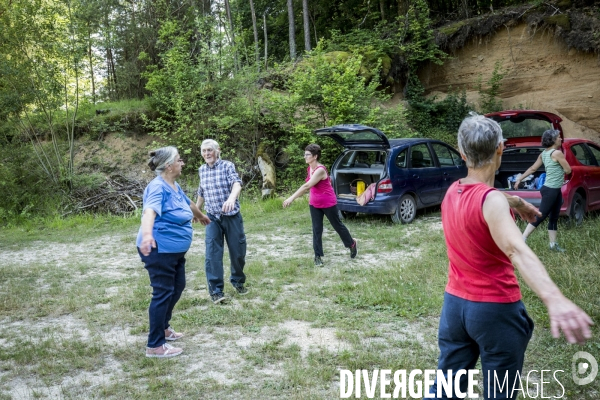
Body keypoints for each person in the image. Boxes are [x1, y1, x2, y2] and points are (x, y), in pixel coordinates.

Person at [425, 115, 592, 399]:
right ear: (501, 148)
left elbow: (480, 195)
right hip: (495, 312)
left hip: (454, 309)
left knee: (445, 390)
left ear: (463, 154)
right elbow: (516, 249)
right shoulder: (490, 201)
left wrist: (512, 200)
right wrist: (555, 299)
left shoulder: (453, 191)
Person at [137, 146, 211, 358]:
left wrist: (200, 215)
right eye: (179, 160)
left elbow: (186, 202)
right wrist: (148, 234)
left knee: (177, 287)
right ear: (169, 166)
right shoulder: (157, 187)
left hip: (173, 251)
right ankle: (155, 345)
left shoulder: (173, 184)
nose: (183, 163)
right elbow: (149, 211)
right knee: (163, 292)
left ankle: (163, 328)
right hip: (158, 248)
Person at [283, 144, 357, 267]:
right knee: (317, 229)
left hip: (328, 203)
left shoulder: (320, 170)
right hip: (314, 204)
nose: (304, 157)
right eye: (305, 154)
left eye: (307, 155)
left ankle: (351, 244)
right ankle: (317, 256)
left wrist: (291, 198)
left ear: (315, 156)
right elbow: (308, 187)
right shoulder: (309, 169)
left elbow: (307, 186)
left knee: (337, 226)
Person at [196, 139, 248, 304]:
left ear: (217, 150)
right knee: (212, 255)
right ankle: (216, 291)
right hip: (212, 218)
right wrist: (196, 211)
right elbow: (201, 191)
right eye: (204, 151)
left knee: (238, 252)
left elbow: (237, 183)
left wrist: (232, 198)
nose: (207, 154)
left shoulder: (227, 166)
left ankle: (238, 282)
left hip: (231, 216)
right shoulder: (202, 170)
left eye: (209, 150)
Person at [513, 129, 572, 252]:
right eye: (559, 137)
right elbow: (568, 170)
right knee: (541, 215)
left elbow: (533, 168)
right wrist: (563, 173)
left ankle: (553, 245)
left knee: (554, 217)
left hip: (552, 189)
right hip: (551, 190)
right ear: (553, 140)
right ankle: (521, 239)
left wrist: (519, 179)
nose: (561, 139)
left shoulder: (544, 154)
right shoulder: (557, 153)